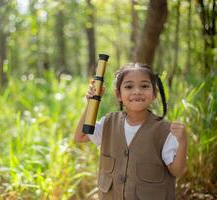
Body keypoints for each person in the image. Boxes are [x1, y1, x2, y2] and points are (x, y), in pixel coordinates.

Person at [74, 63, 188, 200]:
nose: (137, 91)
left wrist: (183, 142)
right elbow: (81, 136)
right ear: (118, 94)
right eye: (129, 86)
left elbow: (177, 170)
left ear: (154, 94)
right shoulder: (108, 123)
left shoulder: (165, 131)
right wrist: (91, 103)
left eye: (144, 86)